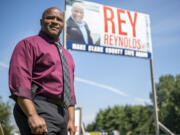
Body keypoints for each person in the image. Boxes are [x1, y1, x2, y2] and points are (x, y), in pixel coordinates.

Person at [9, 7, 76, 135]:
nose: (55, 21)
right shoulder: (28, 45)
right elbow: (20, 83)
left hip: (62, 113)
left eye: (59, 19)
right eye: (50, 18)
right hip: (39, 107)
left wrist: (71, 120)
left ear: (63, 25)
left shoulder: (68, 56)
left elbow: (71, 90)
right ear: (41, 22)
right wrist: (32, 114)